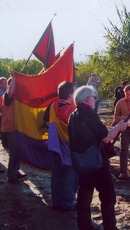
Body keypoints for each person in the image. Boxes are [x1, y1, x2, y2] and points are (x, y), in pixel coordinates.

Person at [68, 85, 127, 230]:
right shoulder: (89, 114)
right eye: (95, 97)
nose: (96, 100)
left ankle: (84, 226)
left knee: (84, 196)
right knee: (108, 197)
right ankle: (110, 227)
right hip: (96, 163)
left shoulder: (73, 114)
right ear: (88, 99)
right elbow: (106, 137)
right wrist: (119, 127)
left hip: (81, 163)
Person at [47, 81, 78, 211]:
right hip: (68, 147)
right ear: (71, 95)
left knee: (57, 175)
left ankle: (56, 202)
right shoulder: (72, 110)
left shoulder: (53, 105)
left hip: (55, 145)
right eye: (75, 91)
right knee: (70, 176)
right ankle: (68, 203)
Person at [0, 71, 26, 183]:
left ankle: (15, 171)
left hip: (17, 128)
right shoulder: (7, 95)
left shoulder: (17, 97)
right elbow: (10, 91)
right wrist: (14, 77)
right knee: (14, 152)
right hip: (11, 128)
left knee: (18, 151)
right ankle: (11, 175)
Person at [0, 76, 8, 149]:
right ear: (0, 84)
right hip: (1, 112)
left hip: (4, 111)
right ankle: (4, 142)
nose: (6, 84)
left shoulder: (4, 90)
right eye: (4, 83)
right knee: (3, 127)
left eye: (6, 82)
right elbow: (4, 99)